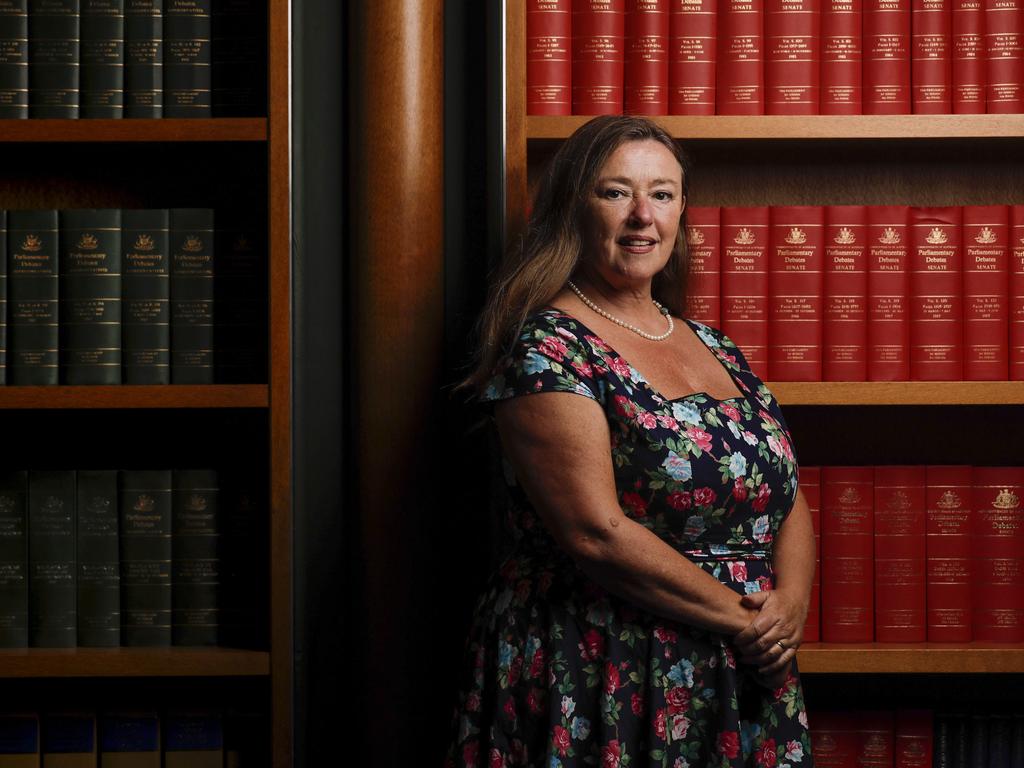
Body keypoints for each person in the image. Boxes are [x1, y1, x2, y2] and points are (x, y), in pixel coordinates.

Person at [446, 115, 815, 768]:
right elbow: (596, 534)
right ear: (571, 210)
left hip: (740, 662)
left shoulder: (712, 344)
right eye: (616, 192)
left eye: (663, 194)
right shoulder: (549, 347)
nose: (644, 215)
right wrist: (748, 621)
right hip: (605, 663)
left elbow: (782, 491)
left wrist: (789, 604)